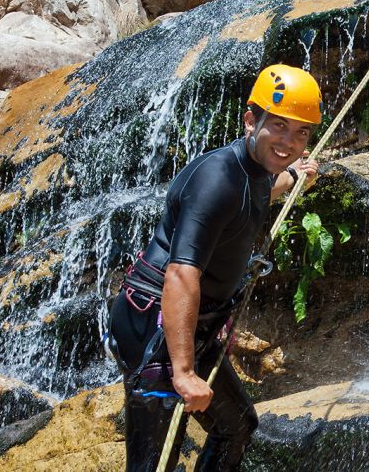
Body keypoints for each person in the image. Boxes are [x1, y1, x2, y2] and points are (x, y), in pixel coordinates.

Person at [105, 64, 322, 471]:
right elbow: (181, 273)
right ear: (250, 119)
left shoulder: (257, 168)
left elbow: (254, 194)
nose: (289, 142)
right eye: (279, 126)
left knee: (237, 425)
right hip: (154, 323)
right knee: (155, 462)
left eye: (301, 133)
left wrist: (294, 177)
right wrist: (184, 372)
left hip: (193, 323)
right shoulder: (216, 179)